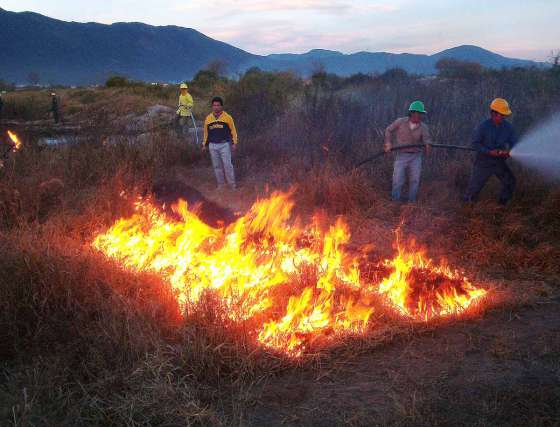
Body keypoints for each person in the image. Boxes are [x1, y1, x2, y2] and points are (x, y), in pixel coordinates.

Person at [464, 98, 517, 205]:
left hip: (499, 162)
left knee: (510, 181)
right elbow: (475, 144)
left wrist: (509, 151)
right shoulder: (483, 127)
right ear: (493, 113)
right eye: (501, 115)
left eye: (504, 115)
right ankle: (466, 208)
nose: (503, 117)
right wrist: (489, 152)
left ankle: (502, 205)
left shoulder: (508, 128)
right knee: (473, 189)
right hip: (483, 163)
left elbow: (514, 143)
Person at [384, 101, 433, 203]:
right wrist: (388, 143)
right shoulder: (400, 122)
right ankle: (395, 201)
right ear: (411, 113)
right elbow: (388, 130)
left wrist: (428, 146)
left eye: (421, 114)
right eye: (417, 113)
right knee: (397, 180)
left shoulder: (423, 127)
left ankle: (411, 203)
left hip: (416, 156)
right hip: (401, 155)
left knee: (414, 180)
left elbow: (427, 140)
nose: (419, 116)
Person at [202, 97, 238, 190]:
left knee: (227, 165)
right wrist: (204, 144)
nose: (216, 107)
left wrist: (234, 143)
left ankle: (232, 185)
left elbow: (233, 130)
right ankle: (221, 185)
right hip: (212, 146)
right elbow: (206, 133)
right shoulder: (208, 118)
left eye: (218, 105)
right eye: (214, 105)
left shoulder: (228, 117)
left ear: (221, 106)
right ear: (212, 106)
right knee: (217, 166)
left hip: (224, 145)